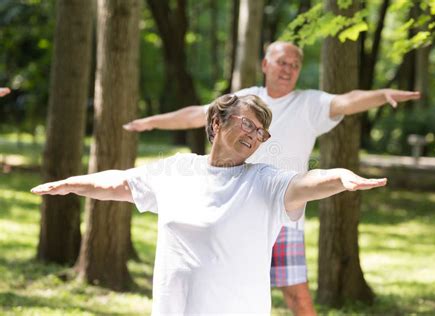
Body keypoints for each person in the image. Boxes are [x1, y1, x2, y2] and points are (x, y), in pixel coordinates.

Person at [123, 41, 418, 315]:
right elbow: (195, 115)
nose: (288, 69)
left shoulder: (310, 103)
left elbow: (347, 101)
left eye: (294, 65)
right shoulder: (243, 102)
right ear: (266, 65)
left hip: (282, 210)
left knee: (296, 295)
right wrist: (151, 121)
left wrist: (382, 95)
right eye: (282, 62)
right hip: (233, 212)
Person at [32, 94, 386, 315]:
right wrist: (71, 184)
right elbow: (120, 182)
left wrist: (339, 177)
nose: (254, 135)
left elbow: (304, 183)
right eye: (248, 123)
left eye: (261, 132)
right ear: (217, 123)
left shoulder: (264, 181)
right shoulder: (178, 169)